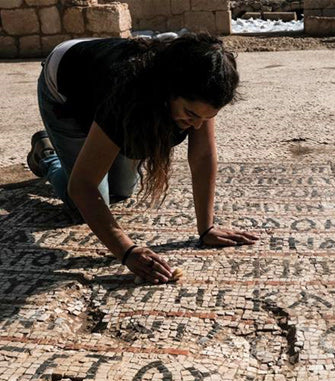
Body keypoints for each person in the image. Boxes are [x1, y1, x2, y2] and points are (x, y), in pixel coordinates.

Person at [27, 33, 259, 284]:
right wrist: (126, 251)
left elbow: (202, 156)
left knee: (123, 190)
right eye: (190, 114)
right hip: (65, 87)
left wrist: (207, 228)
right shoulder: (127, 94)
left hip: (102, 78)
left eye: (207, 117)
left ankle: (96, 144)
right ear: (169, 90)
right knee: (88, 201)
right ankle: (48, 155)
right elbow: (83, 186)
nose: (197, 125)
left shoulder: (203, 83)